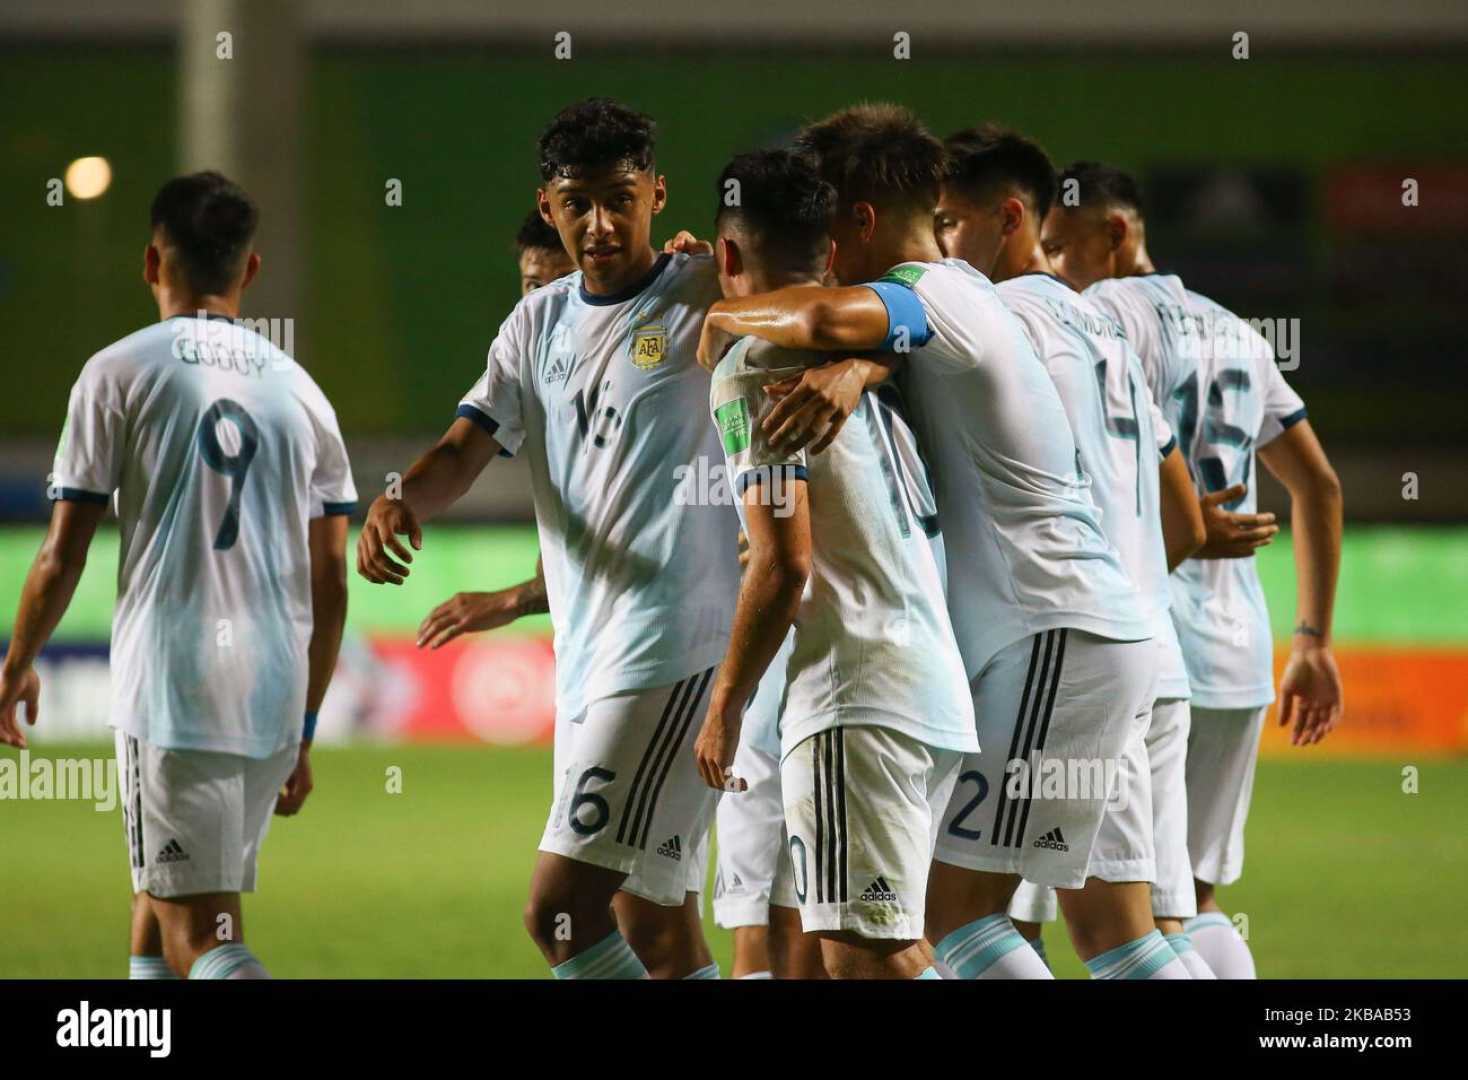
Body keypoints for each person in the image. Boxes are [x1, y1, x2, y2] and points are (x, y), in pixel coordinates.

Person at [0, 171, 355, 980]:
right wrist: (304, 724)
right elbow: (332, 581)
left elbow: (63, 553)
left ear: (152, 264)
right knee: (159, 902)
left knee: (202, 928)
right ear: (250, 271)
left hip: (176, 687)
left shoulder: (116, 373)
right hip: (269, 687)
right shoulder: (302, 391)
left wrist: (16, 664)